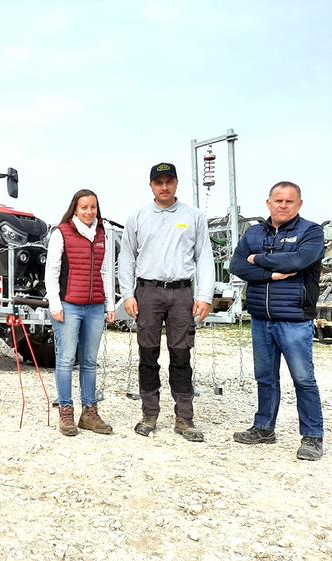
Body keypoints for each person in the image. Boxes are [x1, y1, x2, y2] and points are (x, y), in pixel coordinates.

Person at [118, 163, 215, 442]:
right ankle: (149, 414)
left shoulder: (194, 216)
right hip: (147, 293)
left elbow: (204, 257)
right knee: (148, 354)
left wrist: (204, 295)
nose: (164, 187)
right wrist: (128, 294)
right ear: (150, 185)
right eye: (158, 182)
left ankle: (184, 417)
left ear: (176, 183)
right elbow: (127, 257)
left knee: (181, 355)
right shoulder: (137, 216)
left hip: (181, 294)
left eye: (169, 181)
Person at [229, 181, 325, 461]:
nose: (283, 205)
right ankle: (263, 428)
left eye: (289, 201)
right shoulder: (255, 232)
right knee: (265, 378)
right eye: (278, 200)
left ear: (299, 204)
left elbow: (298, 262)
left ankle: (312, 436)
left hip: (294, 319)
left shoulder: (311, 232)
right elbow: (236, 266)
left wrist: (258, 258)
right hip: (261, 319)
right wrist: (270, 274)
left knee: (303, 379)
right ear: (268, 202)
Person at [45, 189, 116, 436]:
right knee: (65, 360)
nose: (89, 212)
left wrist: (110, 305)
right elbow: (52, 272)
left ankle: (89, 412)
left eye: (93, 207)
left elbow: (106, 272)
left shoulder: (102, 234)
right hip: (69, 305)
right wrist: (55, 304)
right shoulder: (61, 233)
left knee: (89, 361)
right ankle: (66, 411)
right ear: (74, 208)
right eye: (84, 207)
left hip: (95, 307)